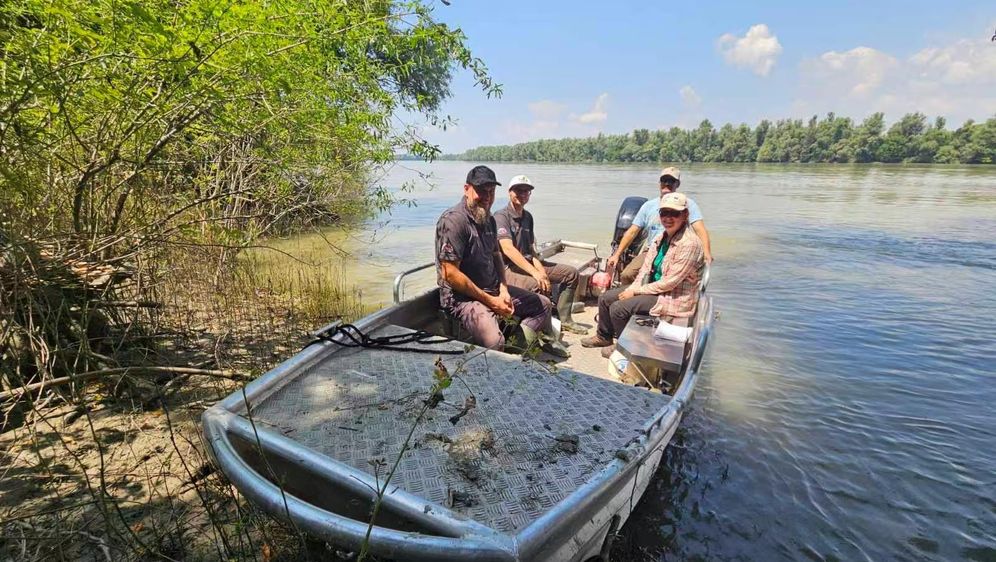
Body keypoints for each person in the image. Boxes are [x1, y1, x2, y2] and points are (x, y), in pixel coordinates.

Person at [435, 165, 569, 357]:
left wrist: (504, 289)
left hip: (493, 290)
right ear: (467, 189)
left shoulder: (489, 220)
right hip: (461, 298)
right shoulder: (454, 221)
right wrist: (491, 301)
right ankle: (501, 358)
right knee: (495, 342)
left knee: (544, 306)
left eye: (491, 191)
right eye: (481, 190)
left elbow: (497, 256)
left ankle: (516, 350)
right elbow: (450, 273)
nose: (487, 197)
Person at [581, 192, 704, 350]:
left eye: (674, 213)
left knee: (618, 308)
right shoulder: (661, 237)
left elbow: (669, 283)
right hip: (654, 288)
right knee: (605, 298)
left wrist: (635, 291)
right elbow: (645, 269)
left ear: (685, 215)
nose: (668, 218)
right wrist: (633, 288)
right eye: (664, 213)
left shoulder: (689, 244)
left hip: (672, 296)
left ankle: (626, 346)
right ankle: (604, 336)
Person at [493, 175, 588, 335]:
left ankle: (564, 319)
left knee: (571, 274)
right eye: (518, 190)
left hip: (528, 264)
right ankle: (545, 331)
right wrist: (535, 274)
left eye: (526, 191)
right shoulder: (501, 217)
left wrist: (541, 271)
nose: (522, 194)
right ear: (510, 192)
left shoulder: (527, 217)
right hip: (508, 268)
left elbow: (532, 251)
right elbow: (508, 249)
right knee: (536, 285)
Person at [605, 167, 713, 284]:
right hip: (653, 249)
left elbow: (700, 230)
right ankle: (632, 298)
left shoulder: (687, 204)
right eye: (664, 180)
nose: (667, 184)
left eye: (671, 181)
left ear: (678, 184)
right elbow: (632, 232)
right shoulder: (648, 206)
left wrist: (707, 253)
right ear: (659, 183)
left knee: (673, 279)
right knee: (627, 275)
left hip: (678, 250)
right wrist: (616, 255)